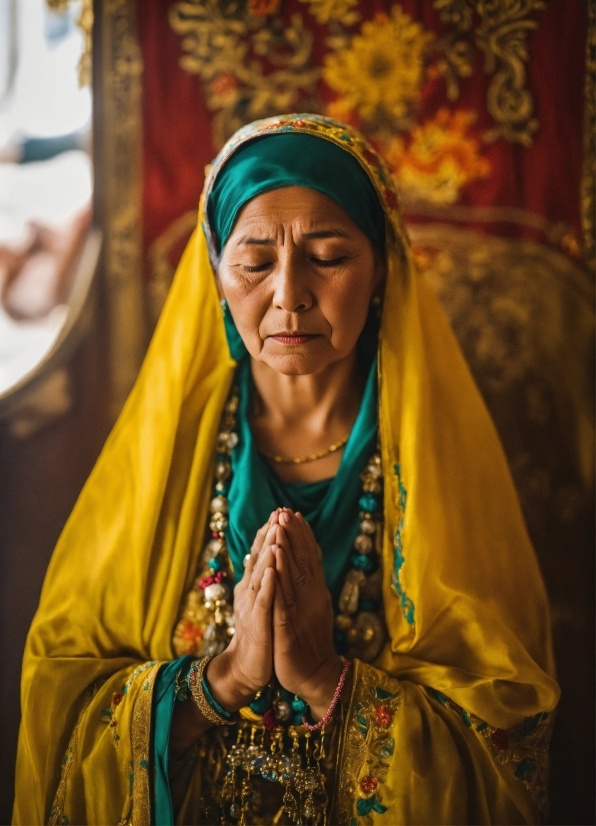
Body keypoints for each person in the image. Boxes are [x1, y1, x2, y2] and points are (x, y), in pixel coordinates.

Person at [14, 114, 559, 826]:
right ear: (216, 276)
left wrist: (324, 680)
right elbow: (63, 698)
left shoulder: (436, 461)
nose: (289, 295)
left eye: (328, 257)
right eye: (255, 261)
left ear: (381, 270)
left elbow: (505, 744)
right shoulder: (169, 448)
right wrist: (225, 680)